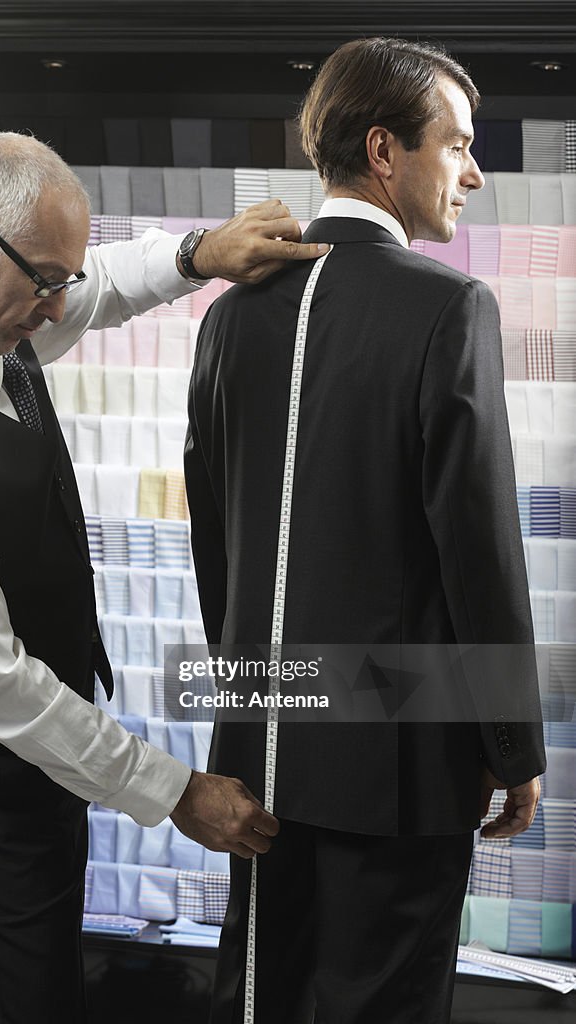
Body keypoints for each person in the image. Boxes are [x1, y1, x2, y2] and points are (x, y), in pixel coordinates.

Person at [0, 131, 326, 1024]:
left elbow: (100, 287)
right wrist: (176, 793)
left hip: (26, 752)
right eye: (43, 281)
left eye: (62, 278)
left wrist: (198, 255)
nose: (57, 309)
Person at [184, 37, 546, 1024]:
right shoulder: (447, 309)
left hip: (259, 750)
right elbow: (475, 548)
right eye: (457, 145)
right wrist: (510, 741)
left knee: (261, 1003)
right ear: (383, 151)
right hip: (400, 768)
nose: (472, 171)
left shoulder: (228, 318)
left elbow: (215, 549)